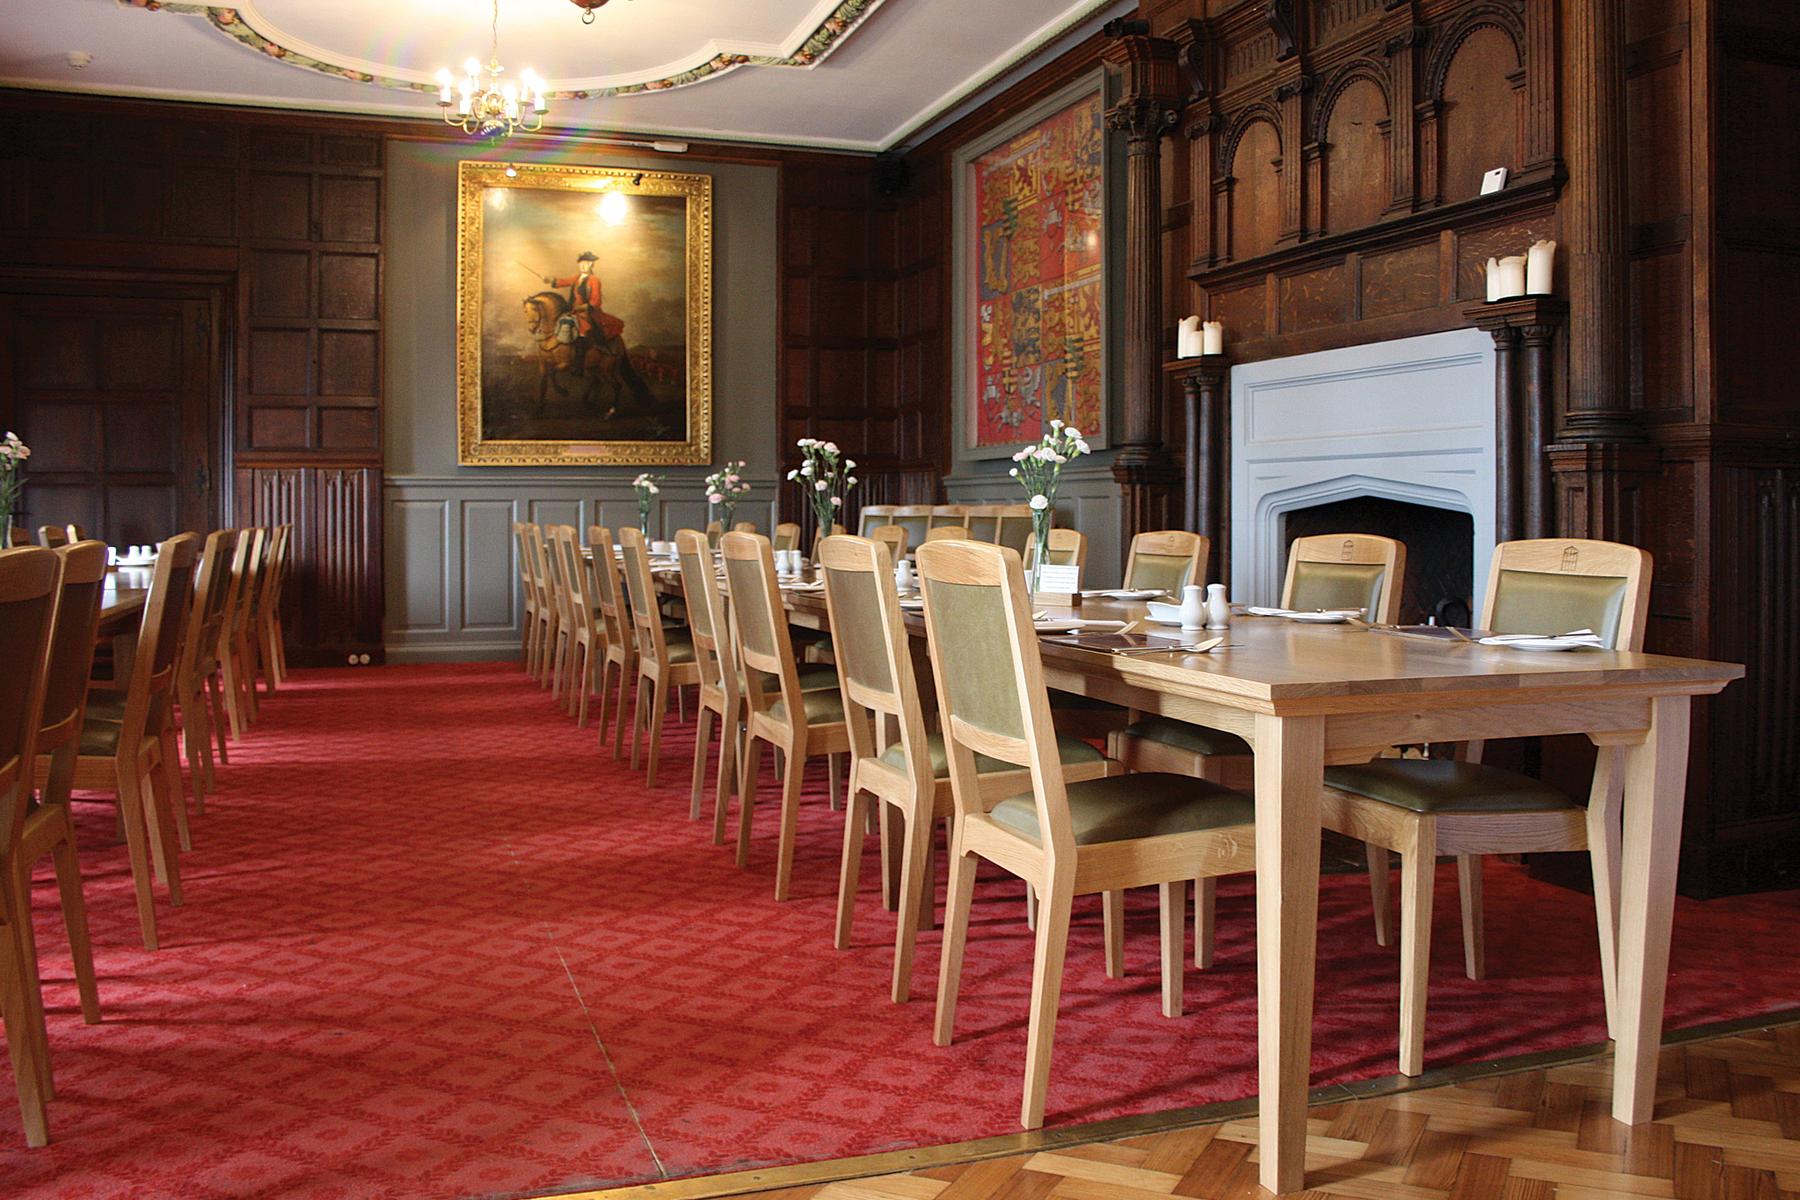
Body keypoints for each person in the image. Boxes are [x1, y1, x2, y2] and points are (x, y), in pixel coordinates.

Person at [544, 251, 625, 378]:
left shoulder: (594, 280)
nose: (583, 266)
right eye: (581, 263)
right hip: (574, 311)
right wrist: (551, 280)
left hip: (589, 313)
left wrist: (583, 307)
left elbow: (596, 301)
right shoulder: (576, 278)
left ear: (591, 264)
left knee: (582, 330)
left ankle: (579, 366)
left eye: (586, 263)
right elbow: (563, 282)